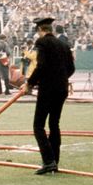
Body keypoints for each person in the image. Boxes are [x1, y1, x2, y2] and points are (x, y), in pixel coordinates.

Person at [21, 17, 75, 175]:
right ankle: (54, 161)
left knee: (38, 125)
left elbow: (41, 66)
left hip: (48, 90)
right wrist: (61, 78)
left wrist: (29, 83)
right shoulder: (64, 45)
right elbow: (71, 68)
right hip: (61, 89)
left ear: (40, 30)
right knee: (54, 124)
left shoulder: (42, 43)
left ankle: (48, 160)